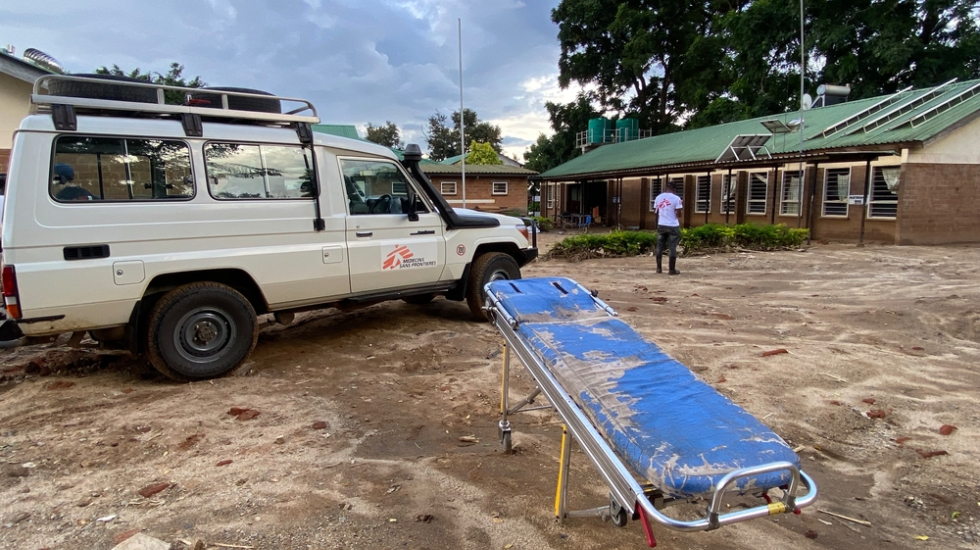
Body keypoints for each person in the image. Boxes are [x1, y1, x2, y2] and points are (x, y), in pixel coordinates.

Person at [654, 180, 683, 275]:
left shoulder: (658, 197)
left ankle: (659, 269)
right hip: (673, 226)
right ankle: (671, 270)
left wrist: (658, 222)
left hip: (661, 225)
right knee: (672, 247)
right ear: (674, 189)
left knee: (659, 246)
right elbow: (679, 215)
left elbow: (657, 212)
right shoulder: (676, 198)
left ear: (666, 188)